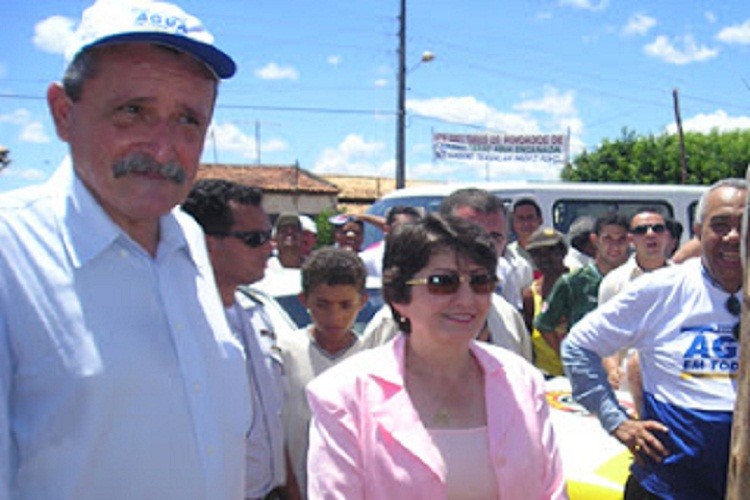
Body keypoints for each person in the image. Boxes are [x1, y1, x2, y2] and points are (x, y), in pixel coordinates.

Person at [0, 1, 249, 498]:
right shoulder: (10, 254)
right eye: (133, 111)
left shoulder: (189, 241)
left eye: (188, 120)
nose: (162, 147)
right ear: (63, 113)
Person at [306, 214, 567, 498]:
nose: (467, 299)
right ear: (398, 296)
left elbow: (551, 490)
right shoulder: (343, 395)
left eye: (480, 281)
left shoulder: (522, 379)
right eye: (443, 282)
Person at [561, 178, 747, 499]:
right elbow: (578, 347)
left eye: (745, 225)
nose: (734, 236)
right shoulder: (661, 289)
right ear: (698, 229)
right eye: (720, 225)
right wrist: (617, 422)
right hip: (668, 487)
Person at [182, 179, 295, 500]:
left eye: (268, 236)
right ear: (207, 244)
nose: (269, 248)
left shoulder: (257, 313)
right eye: (254, 239)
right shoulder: (180, 326)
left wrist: (289, 487)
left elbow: (271, 416)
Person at [278, 247, 383, 496]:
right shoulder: (285, 355)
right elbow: (275, 434)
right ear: (304, 300)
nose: (334, 316)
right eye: (322, 305)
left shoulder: (372, 359)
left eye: (345, 305)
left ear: (362, 301)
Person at [534, 213, 629, 359]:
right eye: (608, 239)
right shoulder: (573, 282)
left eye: (621, 240)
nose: (614, 246)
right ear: (595, 240)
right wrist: (570, 359)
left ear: (629, 241)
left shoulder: (638, 280)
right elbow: (544, 324)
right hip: (589, 368)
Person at [439, 187, 533, 311]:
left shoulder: (506, 309)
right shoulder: (420, 306)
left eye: (495, 237)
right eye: (473, 236)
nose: (485, 246)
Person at [521, 227, 569, 377]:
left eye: (551, 252)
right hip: (546, 378)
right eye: (537, 254)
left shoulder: (580, 284)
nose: (545, 259)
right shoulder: (530, 296)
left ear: (563, 252)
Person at [360, 205, 421, 277]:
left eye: (413, 228)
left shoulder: (428, 257)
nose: (407, 232)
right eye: (401, 228)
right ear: (386, 229)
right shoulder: (369, 258)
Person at [507, 196, 544, 270]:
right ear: (513, 223)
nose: (526, 223)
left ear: (540, 220)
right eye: (520, 218)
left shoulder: (551, 253)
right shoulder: (508, 254)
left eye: (530, 217)